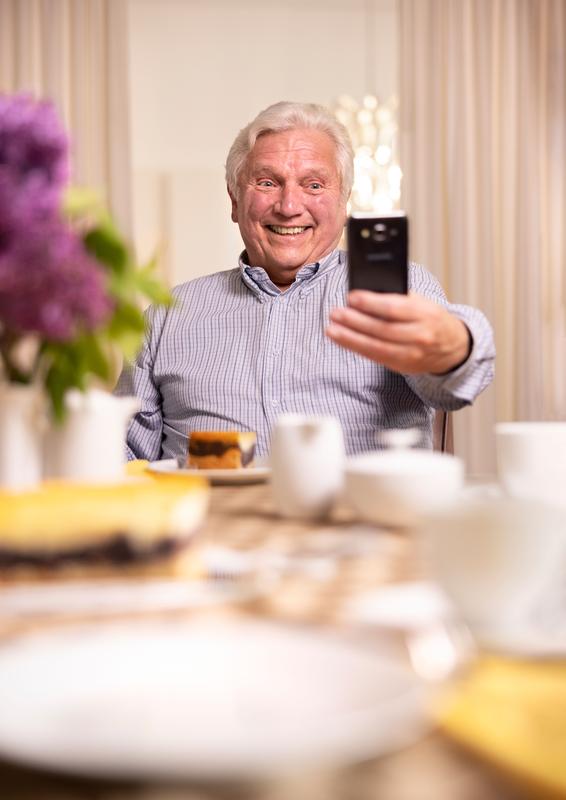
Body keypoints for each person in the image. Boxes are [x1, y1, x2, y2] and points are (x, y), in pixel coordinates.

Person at [115, 101, 495, 461]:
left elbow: (458, 381)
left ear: (344, 202)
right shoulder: (167, 316)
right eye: (267, 182)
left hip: (360, 525)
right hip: (209, 525)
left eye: (314, 185)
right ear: (234, 200)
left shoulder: (397, 288)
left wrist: (456, 347)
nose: (289, 206)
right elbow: (124, 452)